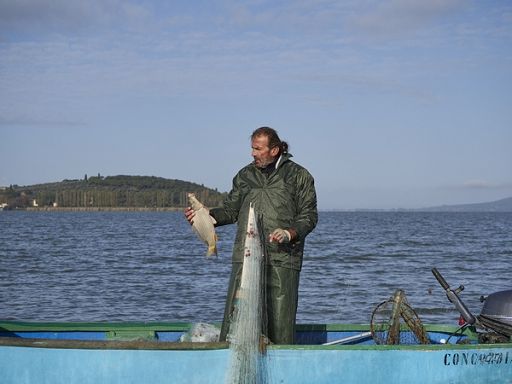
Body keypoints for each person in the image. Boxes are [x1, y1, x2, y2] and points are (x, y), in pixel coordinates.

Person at [185, 126, 318, 344]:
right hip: (245, 258)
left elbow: (309, 216)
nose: (253, 153)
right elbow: (230, 211)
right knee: (236, 317)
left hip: (282, 259)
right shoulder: (245, 175)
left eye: (258, 149)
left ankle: (281, 364)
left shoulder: (299, 176)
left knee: (280, 321)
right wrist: (205, 218)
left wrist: (289, 233)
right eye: (252, 148)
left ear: (274, 150)